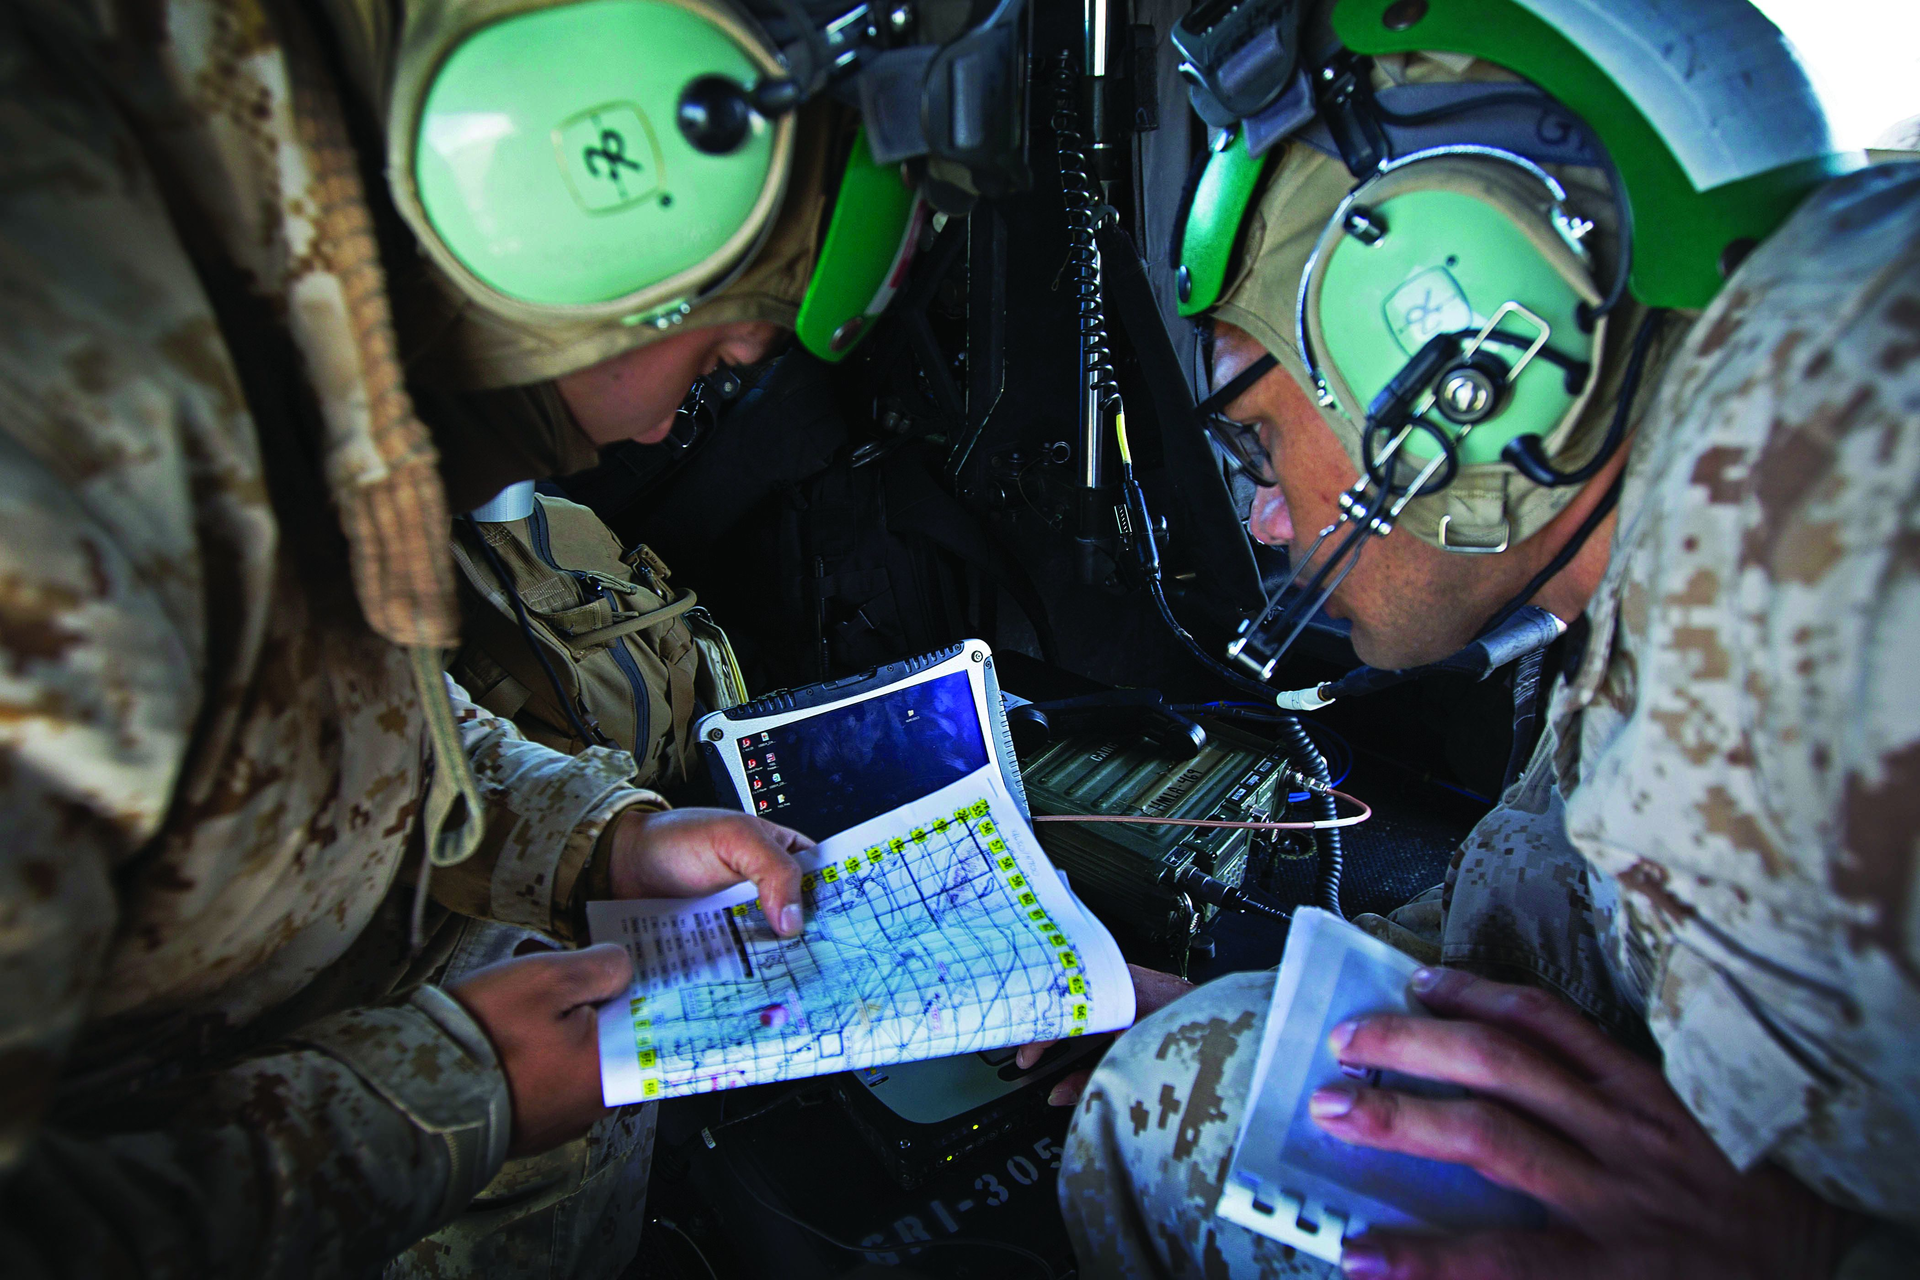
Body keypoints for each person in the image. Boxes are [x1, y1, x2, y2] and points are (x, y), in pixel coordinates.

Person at [0, 0, 963, 1275]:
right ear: (538, 209)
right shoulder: (64, 503)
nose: (693, 410)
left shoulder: (277, 323)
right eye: (725, 345)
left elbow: (308, 709)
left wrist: (599, 837)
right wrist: (442, 1094)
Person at [1045, 8, 1920, 1278]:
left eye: (1257, 436)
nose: (1266, 515)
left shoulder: (1833, 522)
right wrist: (1296, 1023)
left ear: (1464, 367)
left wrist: (1814, 1248)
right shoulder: (1678, 529)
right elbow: (1552, 888)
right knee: (1193, 1088)